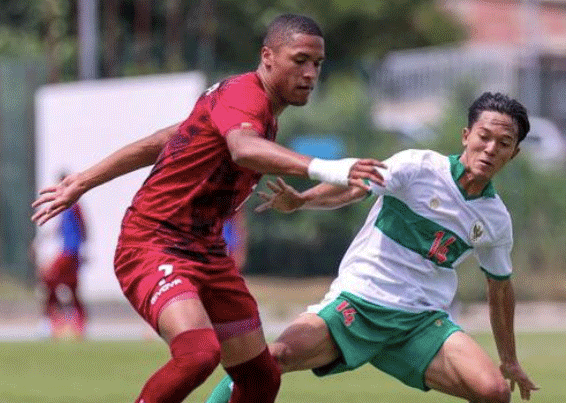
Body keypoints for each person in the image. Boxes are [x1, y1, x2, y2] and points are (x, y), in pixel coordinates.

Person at [31, 14, 385, 403]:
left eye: (317, 64)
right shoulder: (243, 94)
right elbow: (243, 149)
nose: (310, 73)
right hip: (153, 244)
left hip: (208, 254)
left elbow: (166, 139)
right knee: (198, 355)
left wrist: (85, 179)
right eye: (299, 60)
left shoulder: (257, 112)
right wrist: (330, 169)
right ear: (267, 56)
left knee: (260, 378)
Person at [205, 92, 539, 403]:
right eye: (485, 137)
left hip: (420, 323)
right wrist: (303, 201)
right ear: (466, 135)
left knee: (494, 392)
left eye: (504, 143)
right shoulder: (418, 167)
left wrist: (509, 360)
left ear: (515, 152)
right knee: (271, 360)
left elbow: (499, 287)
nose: (491, 148)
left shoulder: (495, 220)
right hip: (360, 304)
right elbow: (356, 188)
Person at [35, 172, 88, 339]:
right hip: (71, 253)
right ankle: (74, 323)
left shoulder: (75, 205)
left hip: (69, 252)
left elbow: (83, 228)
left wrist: (84, 249)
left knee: (48, 279)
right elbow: (59, 227)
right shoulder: (66, 206)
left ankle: (53, 322)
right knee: (69, 288)